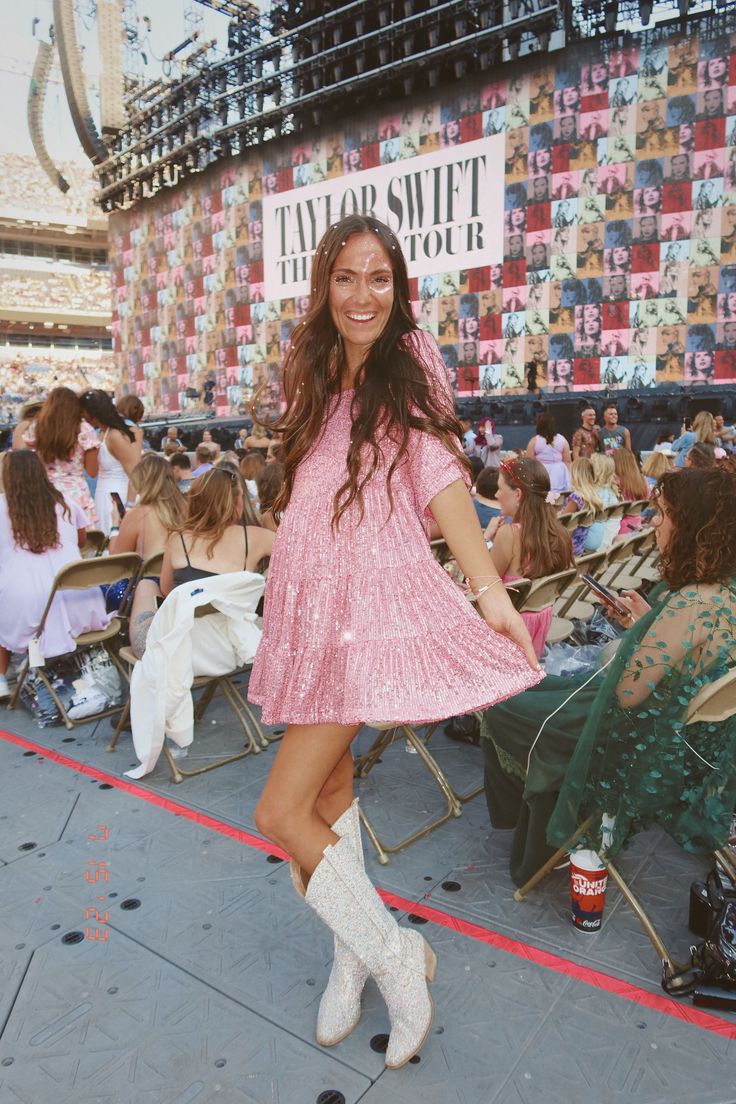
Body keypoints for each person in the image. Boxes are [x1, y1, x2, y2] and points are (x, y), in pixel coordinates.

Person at [246, 214, 540, 1071]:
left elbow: (439, 474)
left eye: (379, 278)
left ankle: (394, 953)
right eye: (347, 277)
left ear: (398, 286)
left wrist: (490, 594)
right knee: (328, 796)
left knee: (279, 811)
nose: (363, 294)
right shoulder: (311, 366)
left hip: (360, 609)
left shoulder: (410, 359)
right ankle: (352, 953)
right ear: (324, 284)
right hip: (306, 601)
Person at [482, 466, 736, 885]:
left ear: (692, 526)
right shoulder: (721, 592)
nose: (655, 522)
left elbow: (627, 693)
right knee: (533, 689)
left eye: (664, 513)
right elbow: (682, 661)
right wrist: (643, 627)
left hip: (624, 736)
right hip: (659, 734)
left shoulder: (689, 601)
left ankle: (531, 826)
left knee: (505, 705)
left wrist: (640, 637)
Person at [0, 451, 110, 699]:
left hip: (31, 607)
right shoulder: (65, 502)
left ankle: (0, 678)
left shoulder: (2, 507)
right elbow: (83, 540)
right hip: (80, 601)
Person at [485, 457, 573, 657]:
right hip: (536, 630)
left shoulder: (510, 535)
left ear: (518, 494)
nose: (496, 494)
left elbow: (483, 586)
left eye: (500, 488)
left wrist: (486, 538)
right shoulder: (559, 533)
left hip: (509, 634)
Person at [107, 454, 186, 655]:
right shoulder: (187, 509)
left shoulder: (138, 515)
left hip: (146, 593)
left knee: (100, 590)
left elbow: (116, 563)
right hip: (181, 587)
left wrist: (115, 525)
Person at [159, 466, 274, 602]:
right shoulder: (257, 537)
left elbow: (166, 590)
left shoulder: (178, 539)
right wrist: (264, 582)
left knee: (146, 586)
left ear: (196, 502)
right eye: (242, 496)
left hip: (188, 621)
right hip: (235, 621)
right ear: (236, 503)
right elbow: (297, 555)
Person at [22, 387, 99, 525]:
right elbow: (93, 471)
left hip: (44, 493)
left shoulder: (37, 428)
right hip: (77, 495)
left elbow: (29, 460)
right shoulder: (84, 430)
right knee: (83, 542)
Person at [80, 390, 142, 536]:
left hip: (118, 497)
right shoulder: (101, 433)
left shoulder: (115, 436)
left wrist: (129, 507)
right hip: (104, 496)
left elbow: (134, 473)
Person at [525, 413, 571, 493]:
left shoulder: (534, 441)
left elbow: (529, 462)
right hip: (559, 473)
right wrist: (570, 477)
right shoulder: (562, 439)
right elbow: (567, 461)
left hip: (541, 473)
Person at [613, 448, 649, 532]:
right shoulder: (642, 479)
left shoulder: (615, 481)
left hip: (618, 527)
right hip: (637, 524)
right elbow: (647, 499)